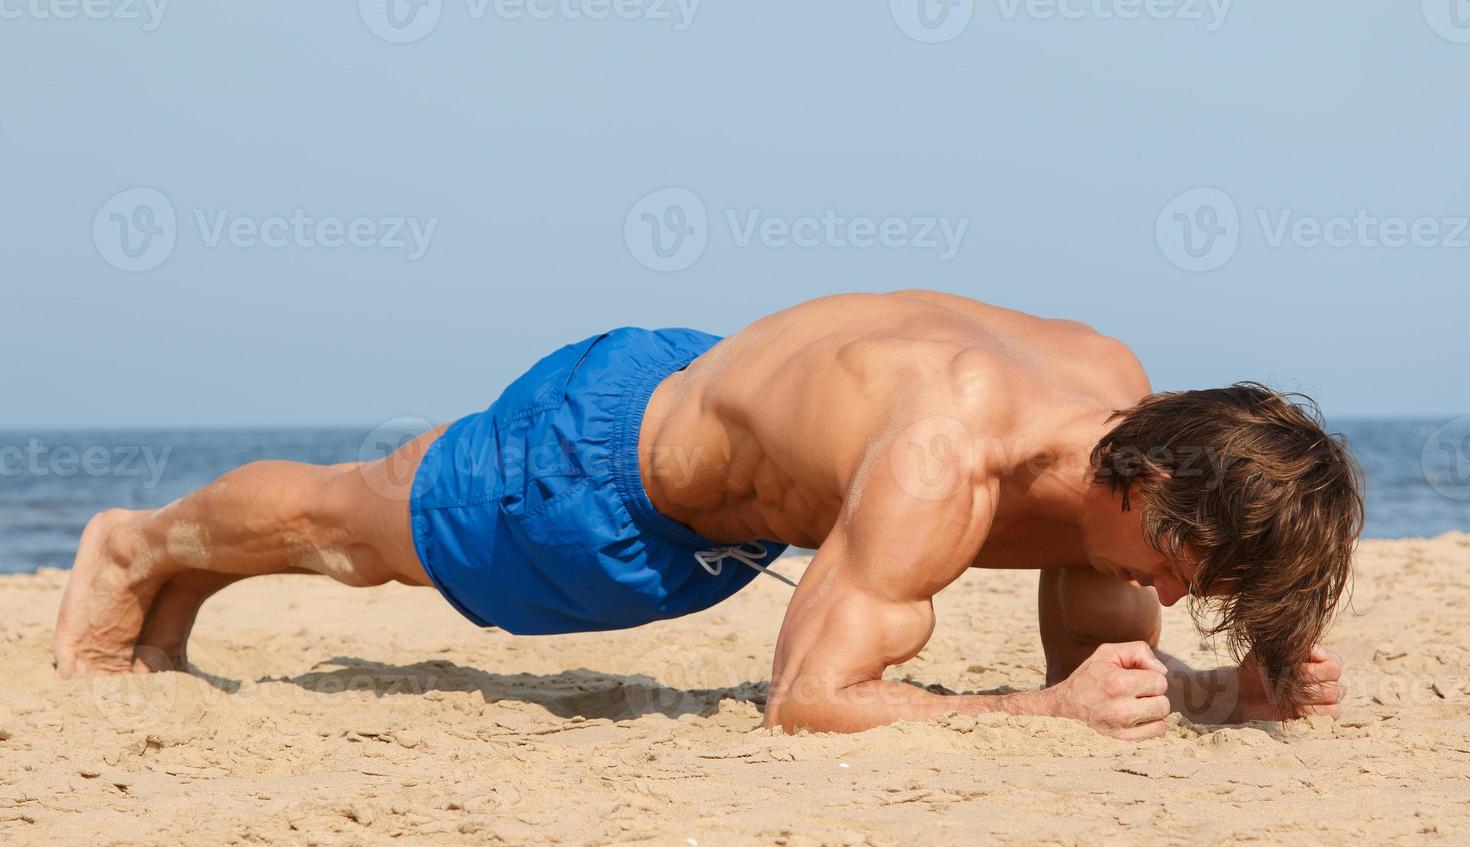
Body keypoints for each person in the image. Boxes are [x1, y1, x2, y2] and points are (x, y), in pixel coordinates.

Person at [52, 291, 1363, 739]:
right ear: (1140, 479)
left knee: (365, 529)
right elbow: (806, 701)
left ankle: (182, 585)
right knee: (358, 533)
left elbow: (1099, 631)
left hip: (740, 431)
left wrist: (1212, 686)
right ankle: (143, 545)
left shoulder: (1111, 404)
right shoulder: (944, 458)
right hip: (610, 473)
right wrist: (1035, 718)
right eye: (1182, 563)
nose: (1175, 593)